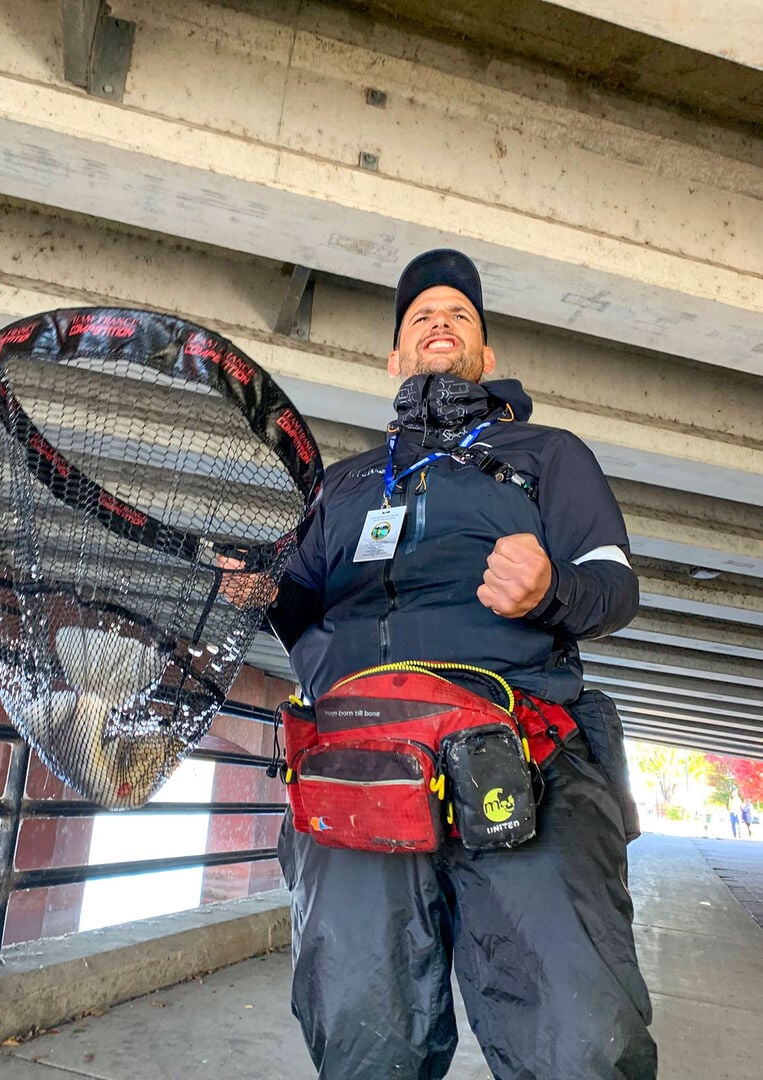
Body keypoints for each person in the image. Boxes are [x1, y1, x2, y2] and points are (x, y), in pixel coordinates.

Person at [268, 249, 657, 1079]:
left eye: (459, 316)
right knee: (362, 1039)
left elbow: (615, 586)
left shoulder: (547, 454)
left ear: (482, 355)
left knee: (581, 1044)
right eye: (421, 316)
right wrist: (252, 594)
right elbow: (294, 608)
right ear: (393, 360)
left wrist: (550, 588)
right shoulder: (341, 488)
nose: (439, 322)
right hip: (354, 778)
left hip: (523, 762)